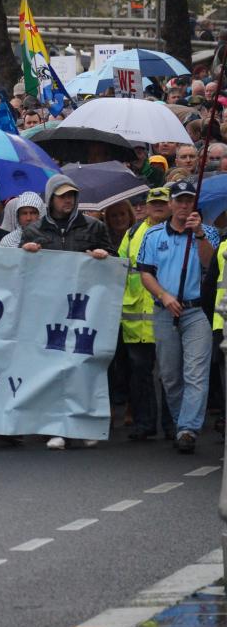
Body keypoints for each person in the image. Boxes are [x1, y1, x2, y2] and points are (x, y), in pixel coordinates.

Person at [21, 174, 114, 450]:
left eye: (72, 195)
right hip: (49, 309)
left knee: (83, 365)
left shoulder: (94, 226)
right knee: (52, 366)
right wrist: (25, 252)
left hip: (84, 307)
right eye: (62, 196)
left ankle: (84, 423)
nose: (68, 200)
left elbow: (113, 261)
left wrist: (102, 255)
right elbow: (19, 271)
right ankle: (56, 426)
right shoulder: (34, 230)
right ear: (50, 198)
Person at [137, 181, 219, 454]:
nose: (184, 206)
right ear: (171, 204)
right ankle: (178, 421)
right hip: (165, 310)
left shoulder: (208, 233)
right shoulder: (153, 235)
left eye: (189, 201)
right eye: (180, 201)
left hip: (196, 311)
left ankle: (187, 429)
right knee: (171, 377)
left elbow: (211, 264)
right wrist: (164, 295)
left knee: (195, 373)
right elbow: (146, 273)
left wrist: (198, 235)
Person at [121, 187, 177, 442]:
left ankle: (172, 423)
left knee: (169, 372)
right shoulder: (132, 233)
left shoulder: (178, 231)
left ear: (171, 205)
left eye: (162, 202)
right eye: (153, 202)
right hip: (136, 317)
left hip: (166, 312)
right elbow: (120, 267)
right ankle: (145, 423)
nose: (157, 206)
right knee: (140, 372)